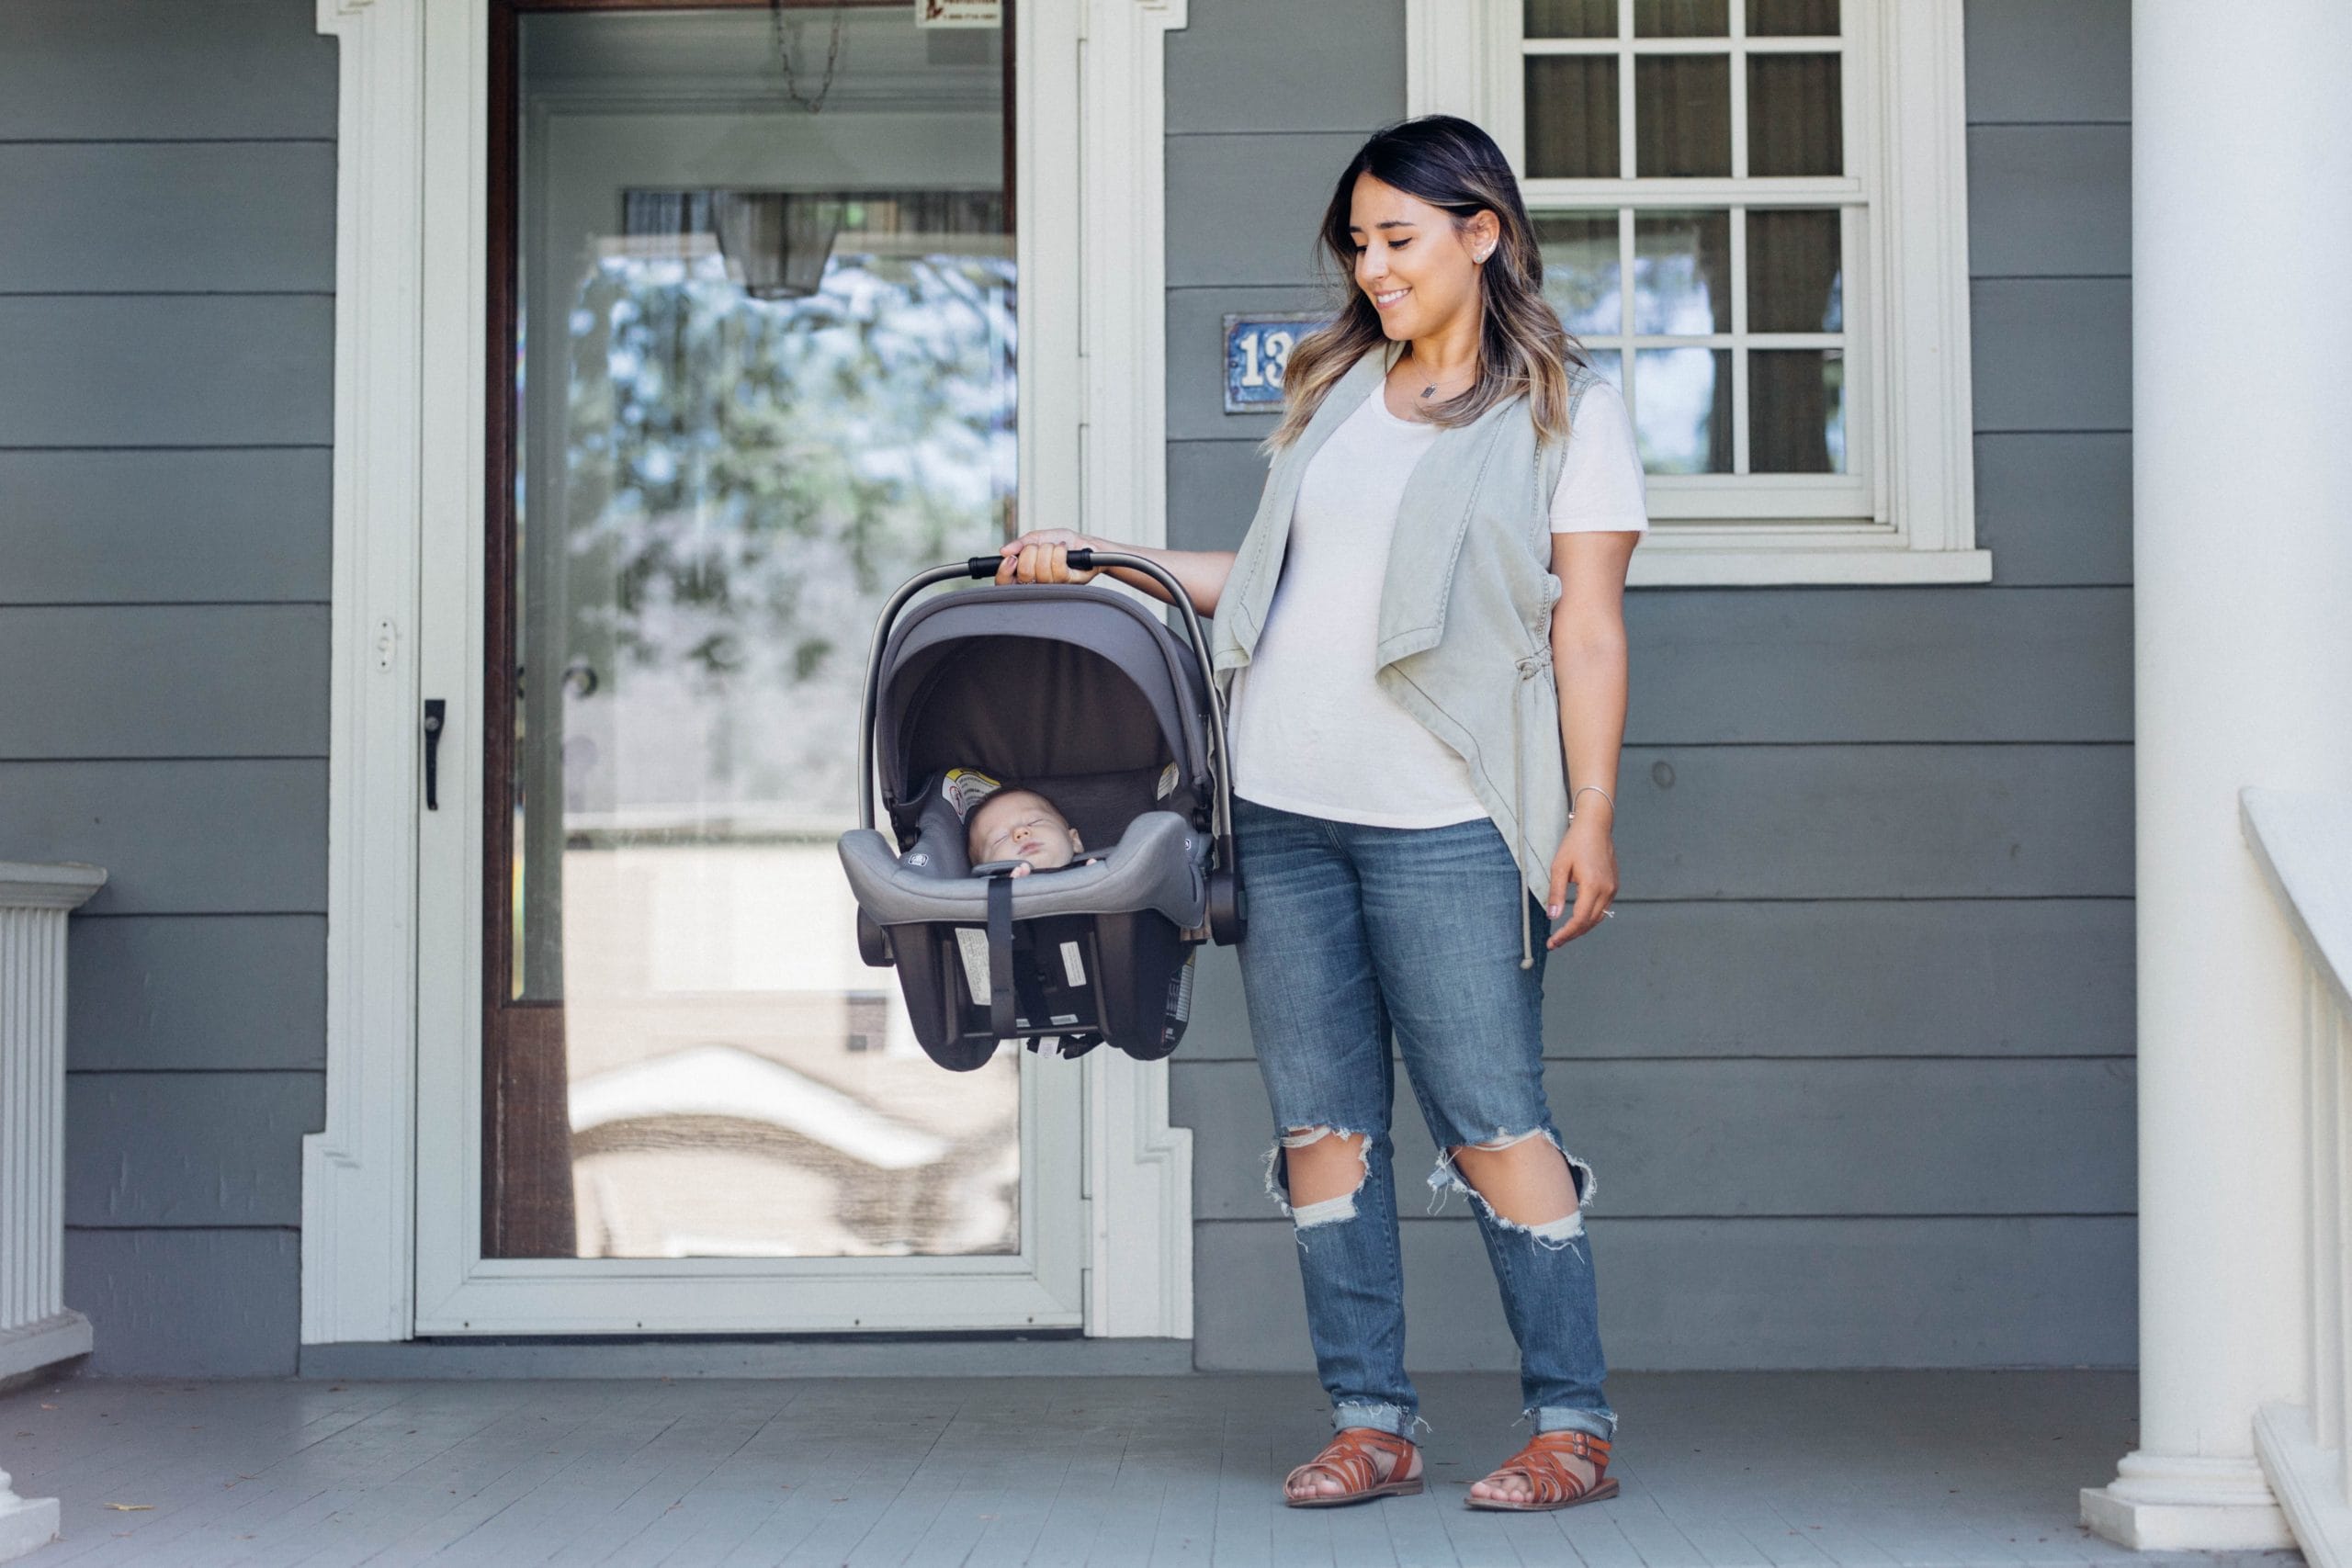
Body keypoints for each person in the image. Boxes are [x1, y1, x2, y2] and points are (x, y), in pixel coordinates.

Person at [995, 114, 1645, 1513]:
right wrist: (1114, 557)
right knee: (1321, 1131)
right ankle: (1373, 1417)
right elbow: (1281, 579)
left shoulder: (1565, 414)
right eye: (1358, 243)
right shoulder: (1343, 388)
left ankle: (1570, 1421)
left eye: (1398, 238)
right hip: (1282, 809)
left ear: (1484, 233)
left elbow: (1588, 628)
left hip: (1450, 818)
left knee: (1490, 1120)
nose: (1373, 266)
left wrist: (1589, 809)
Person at [963, 784, 1085, 877]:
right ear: (986, 871)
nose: (1020, 833)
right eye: (1000, 838)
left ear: (1074, 840)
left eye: (1034, 822)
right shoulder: (991, 901)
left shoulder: (1099, 871)